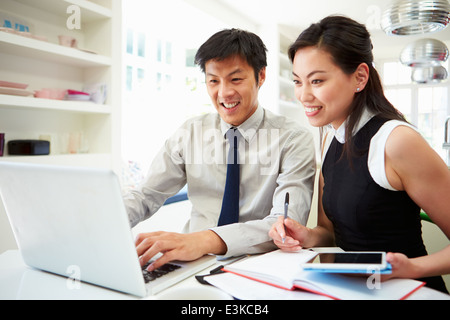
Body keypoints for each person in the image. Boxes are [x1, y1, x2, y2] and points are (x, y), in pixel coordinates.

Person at [269, 16, 450, 293]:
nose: (303, 95)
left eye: (316, 81)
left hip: (408, 291)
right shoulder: (330, 137)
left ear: (360, 77)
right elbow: (329, 233)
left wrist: (412, 267)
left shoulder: (396, 141)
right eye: (297, 82)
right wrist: (306, 236)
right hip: (354, 289)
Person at [124, 29, 316, 272]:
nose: (224, 93)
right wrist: (102, 221)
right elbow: (145, 195)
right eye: (214, 80)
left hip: (260, 268)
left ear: (261, 76)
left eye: (236, 79)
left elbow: (286, 225)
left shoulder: (293, 139)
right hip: (190, 263)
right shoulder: (190, 133)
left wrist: (204, 240)